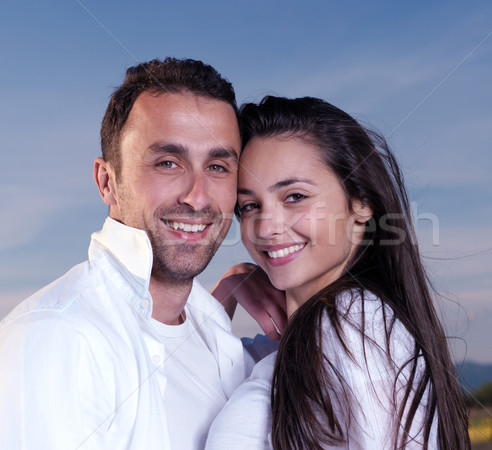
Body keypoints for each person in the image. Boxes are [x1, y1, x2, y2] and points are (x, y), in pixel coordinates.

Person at [0, 58, 285, 449]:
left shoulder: (214, 331)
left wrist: (232, 292)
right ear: (107, 182)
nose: (197, 196)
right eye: (168, 163)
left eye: (218, 166)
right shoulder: (60, 337)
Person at [206, 96, 471, 449]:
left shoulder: (353, 322)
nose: (266, 227)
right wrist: (230, 285)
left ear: (361, 203)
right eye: (250, 206)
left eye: (295, 196)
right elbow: (184, 374)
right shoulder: (287, 348)